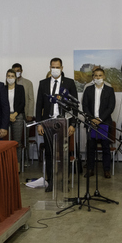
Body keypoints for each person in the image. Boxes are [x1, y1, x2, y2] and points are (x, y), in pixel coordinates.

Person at [36, 57, 77, 192]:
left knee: (64, 154)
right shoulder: (43, 83)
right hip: (48, 123)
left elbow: (74, 106)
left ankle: (64, 182)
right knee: (49, 153)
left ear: (62, 68)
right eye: (53, 67)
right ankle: (51, 181)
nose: (55, 69)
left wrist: (73, 124)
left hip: (63, 123)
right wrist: (39, 124)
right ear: (50, 68)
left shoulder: (69, 83)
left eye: (57, 67)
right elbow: (39, 105)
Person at [81, 66, 116, 178]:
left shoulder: (109, 90)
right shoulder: (88, 89)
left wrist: (100, 119)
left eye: (100, 76)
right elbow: (85, 106)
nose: (98, 77)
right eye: (96, 76)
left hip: (104, 122)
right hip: (91, 122)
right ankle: (90, 169)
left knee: (106, 147)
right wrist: (92, 119)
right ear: (93, 77)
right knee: (91, 147)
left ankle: (106, 170)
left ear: (104, 76)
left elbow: (111, 107)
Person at [6, 69, 26, 167]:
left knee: (17, 141)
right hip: (5, 116)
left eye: (12, 76)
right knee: (5, 142)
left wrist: (14, 114)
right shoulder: (3, 88)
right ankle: (7, 164)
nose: (10, 78)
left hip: (17, 115)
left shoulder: (20, 88)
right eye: (8, 76)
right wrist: (8, 115)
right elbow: (0, 103)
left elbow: (22, 103)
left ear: (15, 78)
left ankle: (17, 165)